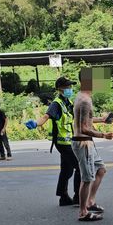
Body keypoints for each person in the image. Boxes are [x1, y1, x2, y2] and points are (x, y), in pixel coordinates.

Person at [29, 77, 81, 206]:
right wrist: (36, 123)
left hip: (69, 141)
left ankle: (63, 197)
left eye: (70, 86)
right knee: (80, 167)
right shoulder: (56, 104)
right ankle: (79, 197)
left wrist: (101, 120)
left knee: (67, 170)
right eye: (67, 87)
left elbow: (77, 118)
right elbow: (46, 116)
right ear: (60, 89)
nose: (70, 89)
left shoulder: (67, 102)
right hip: (63, 143)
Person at [71, 92, 113, 221]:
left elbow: (84, 120)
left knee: (101, 170)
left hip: (87, 142)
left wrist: (102, 120)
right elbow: (84, 128)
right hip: (83, 143)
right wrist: (103, 135)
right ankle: (83, 212)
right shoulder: (85, 101)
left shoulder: (82, 97)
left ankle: (90, 202)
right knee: (87, 178)